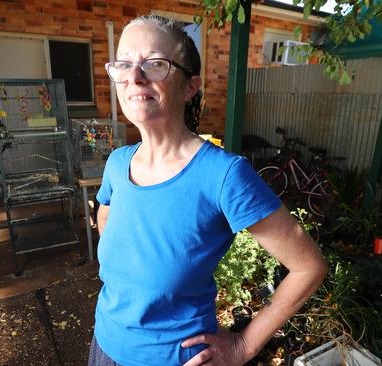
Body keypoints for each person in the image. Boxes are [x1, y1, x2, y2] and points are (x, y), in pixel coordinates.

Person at [88, 15, 327, 366]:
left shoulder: (223, 175)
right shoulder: (117, 163)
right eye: (124, 63)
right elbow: (105, 215)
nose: (135, 76)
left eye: (155, 64)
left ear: (190, 87)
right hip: (104, 346)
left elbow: (309, 267)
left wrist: (244, 346)